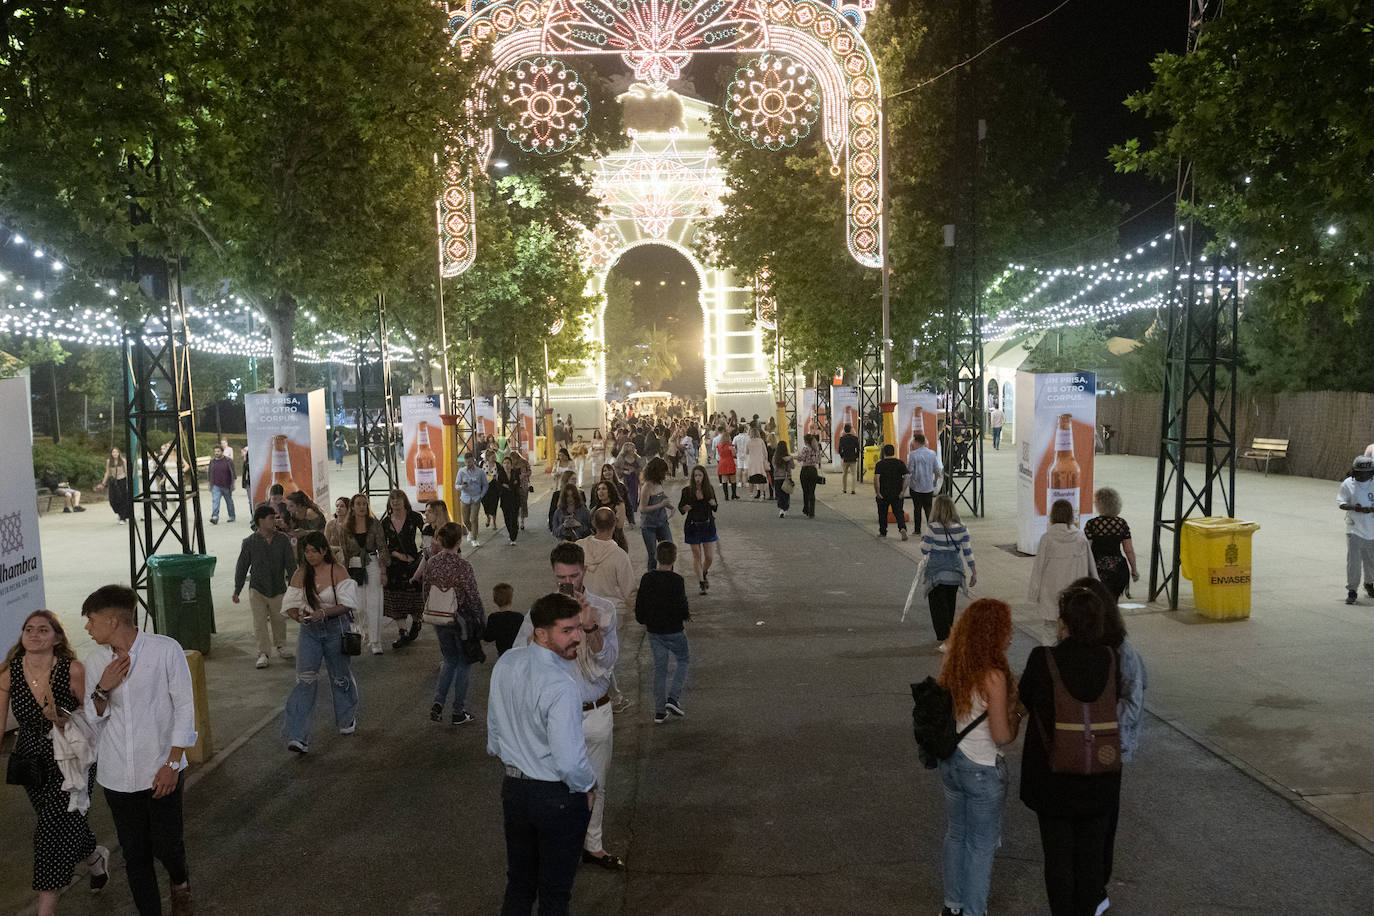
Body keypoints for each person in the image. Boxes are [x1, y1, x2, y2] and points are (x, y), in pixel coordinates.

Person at [82, 585, 197, 916]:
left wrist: (172, 764)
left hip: (161, 769)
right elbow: (94, 718)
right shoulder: (96, 660)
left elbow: (184, 707)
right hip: (117, 776)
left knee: (167, 845)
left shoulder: (165, 650)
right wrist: (104, 686)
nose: (88, 628)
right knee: (135, 854)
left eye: (92, 620)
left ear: (113, 620)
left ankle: (180, 882)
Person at [487, 592, 598, 916]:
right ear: (540, 633)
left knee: (520, 884)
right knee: (555, 892)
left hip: (515, 792)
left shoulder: (508, 661)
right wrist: (588, 786)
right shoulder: (562, 685)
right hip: (557, 798)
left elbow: (494, 731)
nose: (577, 637)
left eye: (578, 628)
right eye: (567, 630)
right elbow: (568, 761)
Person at [515, 543, 623, 870]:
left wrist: (590, 626)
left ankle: (593, 845)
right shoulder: (539, 613)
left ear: (584, 572)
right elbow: (521, 662)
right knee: (558, 788)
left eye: (573, 576)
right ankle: (558, 849)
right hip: (558, 717)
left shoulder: (603, 609)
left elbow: (608, 661)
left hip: (597, 711)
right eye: (561, 577)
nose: (568, 582)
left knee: (597, 785)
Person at [1018, 585, 1122, 916]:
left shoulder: (1042, 659)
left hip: (1053, 778)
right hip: (1099, 776)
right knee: (1091, 858)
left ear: (1063, 623)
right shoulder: (1110, 659)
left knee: (1059, 860)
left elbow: (1024, 702)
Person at [1, 610, 110, 915]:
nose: (34, 635)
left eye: (43, 630)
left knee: (49, 833)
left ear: (57, 638)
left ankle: (45, 910)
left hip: (71, 758)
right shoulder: (10, 672)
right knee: (64, 823)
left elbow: (94, 714)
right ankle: (93, 857)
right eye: (29, 629)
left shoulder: (72, 670)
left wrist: (63, 720)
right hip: (31, 760)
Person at [935, 598, 1022, 916]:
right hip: (982, 769)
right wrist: (1019, 716)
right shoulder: (994, 676)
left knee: (956, 833)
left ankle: (952, 905)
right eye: (1007, 628)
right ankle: (974, 911)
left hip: (952, 763)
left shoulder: (954, 664)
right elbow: (1001, 736)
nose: (1011, 635)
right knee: (981, 846)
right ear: (994, 633)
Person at [1072, 576, 1145, 913]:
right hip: (1084, 747)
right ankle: (1088, 883)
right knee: (1086, 819)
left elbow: (1134, 702)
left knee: (1103, 820)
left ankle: (1097, 886)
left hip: (1108, 749)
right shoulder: (1081, 649)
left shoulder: (1121, 652)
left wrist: (1099, 722)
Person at [281, 531, 360, 754]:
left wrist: (324, 613)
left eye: (314, 551)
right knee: (304, 680)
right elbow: (291, 603)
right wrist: (297, 614)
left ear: (324, 550)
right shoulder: (300, 574)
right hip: (309, 632)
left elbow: (347, 604)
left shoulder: (338, 571)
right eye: (306, 552)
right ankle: (298, 736)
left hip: (336, 629)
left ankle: (346, 718)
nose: (310, 555)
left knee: (340, 676)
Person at [423, 522, 485, 726]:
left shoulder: (432, 563)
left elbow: (426, 590)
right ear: (458, 542)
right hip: (460, 620)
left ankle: (438, 702)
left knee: (448, 659)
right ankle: (458, 710)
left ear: (440, 540)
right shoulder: (464, 567)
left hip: (439, 618)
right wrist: (480, 619)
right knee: (464, 663)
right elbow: (473, 597)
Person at [232, 505, 298, 669]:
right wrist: (237, 590)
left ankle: (281, 645)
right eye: (270, 518)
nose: (274, 521)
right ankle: (263, 652)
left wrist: (294, 587)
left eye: (275, 518)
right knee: (259, 621)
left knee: (279, 619)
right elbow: (242, 566)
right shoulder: (249, 542)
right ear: (260, 521)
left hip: (278, 587)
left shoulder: (283, 540)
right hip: (257, 588)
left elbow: (291, 564)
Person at [634, 541, 691, 725]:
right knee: (683, 659)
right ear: (674, 559)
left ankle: (659, 711)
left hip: (654, 631)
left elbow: (640, 606)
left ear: (656, 557)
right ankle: (673, 698)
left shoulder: (647, 579)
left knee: (660, 668)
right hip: (674, 630)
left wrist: (644, 619)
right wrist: (686, 615)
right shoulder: (677, 581)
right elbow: (682, 606)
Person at [1029, 500, 1099, 643]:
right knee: (1073, 631)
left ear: (1052, 515)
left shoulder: (1047, 538)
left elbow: (1038, 568)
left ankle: (1049, 661)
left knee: (1050, 632)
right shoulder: (1080, 538)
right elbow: (1091, 567)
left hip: (1050, 595)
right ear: (1070, 516)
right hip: (1074, 596)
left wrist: (1033, 594)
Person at [922, 495, 978, 650]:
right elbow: (968, 552)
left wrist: (923, 540)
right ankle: (950, 636)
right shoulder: (962, 528)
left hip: (937, 573)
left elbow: (925, 549)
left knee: (938, 607)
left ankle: (946, 638)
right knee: (950, 604)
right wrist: (974, 572)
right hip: (954, 572)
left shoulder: (932, 527)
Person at [382, 489, 426, 649]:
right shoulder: (386, 522)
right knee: (395, 598)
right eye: (392, 499)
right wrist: (396, 554)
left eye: (398, 499)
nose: (395, 502)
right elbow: (382, 545)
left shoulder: (414, 517)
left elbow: (427, 533)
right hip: (394, 566)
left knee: (414, 595)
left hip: (412, 563)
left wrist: (424, 550)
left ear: (404, 501)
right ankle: (403, 632)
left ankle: (416, 622)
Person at [345, 493, 388, 655]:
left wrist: (383, 571)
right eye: (359, 504)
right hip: (354, 566)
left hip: (372, 563)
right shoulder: (346, 527)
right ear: (353, 507)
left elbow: (382, 547)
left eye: (364, 504)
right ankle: (362, 634)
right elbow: (344, 551)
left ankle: (376, 641)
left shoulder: (374, 524)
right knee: (359, 605)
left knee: (374, 603)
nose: (362, 507)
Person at [577, 508, 637, 614]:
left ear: (593, 523)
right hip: (613, 611)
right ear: (614, 524)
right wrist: (635, 608)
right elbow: (629, 590)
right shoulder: (620, 555)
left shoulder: (579, 547)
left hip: (585, 608)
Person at [1083, 488, 1139, 600]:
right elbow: (1129, 550)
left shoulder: (1092, 524)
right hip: (1117, 569)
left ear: (1099, 504)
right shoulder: (1121, 523)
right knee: (1112, 601)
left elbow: (1086, 549)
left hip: (1097, 569)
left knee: (1097, 600)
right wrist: (1134, 569)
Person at [1338, 455, 1374, 605]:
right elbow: (1341, 503)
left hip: (1372, 528)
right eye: (1358, 473)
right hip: (1354, 528)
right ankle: (1352, 590)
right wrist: (1355, 508)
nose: (1361, 476)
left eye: (1364, 474)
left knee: (1371, 560)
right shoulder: (1348, 484)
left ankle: (1369, 583)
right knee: (1354, 561)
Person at [679, 465, 719, 594]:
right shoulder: (687, 491)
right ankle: (701, 582)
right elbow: (681, 507)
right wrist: (684, 508)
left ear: (704, 477)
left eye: (700, 475)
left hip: (707, 525)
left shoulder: (709, 489)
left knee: (709, 557)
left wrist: (713, 504)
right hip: (693, 525)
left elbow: (715, 506)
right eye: (695, 476)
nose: (697, 478)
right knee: (697, 555)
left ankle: (704, 572)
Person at [637, 457, 673, 567]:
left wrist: (670, 506)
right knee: (653, 555)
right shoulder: (647, 486)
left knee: (669, 551)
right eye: (663, 472)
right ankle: (652, 578)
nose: (665, 474)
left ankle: (669, 576)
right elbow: (642, 508)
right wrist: (661, 505)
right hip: (649, 525)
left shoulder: (658, 483)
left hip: (662, 522)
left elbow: (661, 496)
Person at [906, 432, 942, 535]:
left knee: (917, 508)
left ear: (916, 442)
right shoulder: (932, 453)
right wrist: (934, 482)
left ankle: (917, 530)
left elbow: (910, 471)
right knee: (928, 508)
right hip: (928, 486)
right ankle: (931, 529)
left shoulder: (913, 455)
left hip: (916, 486)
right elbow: (936, 470)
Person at [872, 443, 909, 540]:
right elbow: (907, 477)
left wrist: (877, 492)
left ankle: (883, 532)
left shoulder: (880, 464)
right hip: (897, 493)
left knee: (882, 513)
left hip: (884, 493)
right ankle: (902, 528)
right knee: (898, 512)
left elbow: (876, 479)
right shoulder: (900, 463)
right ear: (893, 452)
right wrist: (902, 491)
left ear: (884, 453)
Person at [483, 582, 524, 657]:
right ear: (511, 599)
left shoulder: (493, 618)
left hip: (503, 654)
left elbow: (488, 637)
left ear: (495, 601)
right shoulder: (519, 617)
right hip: (518, 652)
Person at [456, 452, 488, 547]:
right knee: (465, 520)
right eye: (466, 462)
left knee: (474, 519)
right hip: (464, 498)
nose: (468, 464)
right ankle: (470, 531)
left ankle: (474, 539)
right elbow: (456, 485)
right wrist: (462, 487)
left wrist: (481, 495)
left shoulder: (480, 472)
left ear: (473, 460)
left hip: (476, 498)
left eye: (469, 462)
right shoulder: (461, 471)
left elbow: (485, 485)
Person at [588, 479, 629, 553]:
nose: (600, 491)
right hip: (599, 543)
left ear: (610, 491)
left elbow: (619, 525)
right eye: (598, 489)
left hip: (616, 540)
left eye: (604, 489)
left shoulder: (618, 505)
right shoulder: (594, 509)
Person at [95, 447, 134, 523]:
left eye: (116, 452)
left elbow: (127, 471)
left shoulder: (123, 461)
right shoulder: (109, 461)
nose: (115, 454)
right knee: (112, 500)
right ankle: (120, 513)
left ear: (119, 453)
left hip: (122, 480)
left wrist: (129, 482)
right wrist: (103, 483)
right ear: (111, 453)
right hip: (113, 481)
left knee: (122, 499)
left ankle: (123, 517)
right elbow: (107, 472)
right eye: (113, 452)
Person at [613, 441, 641, 524]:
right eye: (629, 447)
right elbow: (615, 467)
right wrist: (624, 472)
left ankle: (632, 516)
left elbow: (641, 468)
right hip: (624, 479)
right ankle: (627, 516)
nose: (631, 449)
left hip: (634, 479)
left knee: (634, 496)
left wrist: (635, 470)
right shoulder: (621, 457)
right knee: (626, 497)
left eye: (632, 448)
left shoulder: (637, 457)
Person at [498, 456, 522, 546]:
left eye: (508, 463)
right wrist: (503, 486)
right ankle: (511, 532)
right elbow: (498, 486)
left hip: (515, 499)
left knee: (513, 519)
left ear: (511, 465)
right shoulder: (500, 474)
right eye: (504, 463)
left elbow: (517, 484)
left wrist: (508, 486)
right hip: (505, 500)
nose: (506, 465)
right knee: (507, 519)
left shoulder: (515, 473)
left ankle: (513, 537)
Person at [797, 433, 821, 518]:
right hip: (813, 470)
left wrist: (796, 457)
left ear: (806, 441)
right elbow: (818, 460)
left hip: (805, 470)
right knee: (812, 492)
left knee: (805, 491)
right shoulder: (816, 449)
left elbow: (801, 458)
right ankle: (812, 512)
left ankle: (806, 509)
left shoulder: (805, 449)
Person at [772, 439, 795, 518]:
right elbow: (793, 467)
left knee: (779, 494)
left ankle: (781, 509)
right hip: (786, 478)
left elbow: (774, 466)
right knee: (786, 494)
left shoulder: (775, 457)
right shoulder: (788, 457)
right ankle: (785, 509)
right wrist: (790, 458)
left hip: (777, 478)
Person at [745, 428, 769, 500]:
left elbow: (747, 452)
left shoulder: (749, 441)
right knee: (761, 479)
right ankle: (762, 495)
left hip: (752, 462)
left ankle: (751, 495)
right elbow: (765, 452)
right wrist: (765, 460)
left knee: (751, 479)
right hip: (760, 462)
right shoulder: (761, 441)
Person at [837, 423, 862, 494]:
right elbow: (858, 448)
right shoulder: (855, 438)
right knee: (853, 474)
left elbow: (839, 449)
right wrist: (856, 456)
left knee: (844, 474)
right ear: (850, 430)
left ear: (844, 430)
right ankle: (853, 489)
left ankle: (844, 489)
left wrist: (842, 456)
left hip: (845, 458)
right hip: (853, 458)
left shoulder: (842, 438)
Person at [715, 428, 738, 500]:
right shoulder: (730, 446)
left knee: (724, 480)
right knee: (733, 479)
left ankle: (726, 496)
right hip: (730, 462)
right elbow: (734, 454)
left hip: (722, 462)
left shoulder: (719, 446)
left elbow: (719, 453)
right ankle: (733, 494)